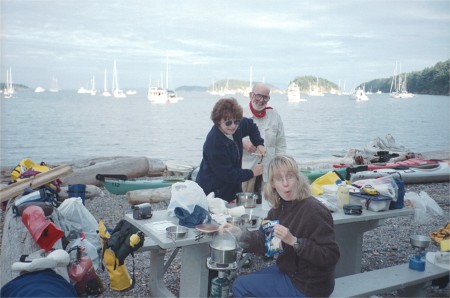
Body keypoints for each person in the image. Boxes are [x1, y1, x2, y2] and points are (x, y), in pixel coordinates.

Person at [220, 154, 340, 297]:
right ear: (272, 184)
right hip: (289, 271)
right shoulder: (278, 209)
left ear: (298, 178)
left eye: (289, 176)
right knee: (248, 279)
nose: (285, 184)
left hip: (309, 286)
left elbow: (331, 255)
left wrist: (295, 242)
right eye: (278, 178)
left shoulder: (314, 210)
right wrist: (238, 232)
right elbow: (264, 242)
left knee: (240, 285)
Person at [196, 97, 266, 203]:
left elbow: (251, 126)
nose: (233, 126)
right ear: (218, 121)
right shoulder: (214, 143)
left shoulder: (237, 126)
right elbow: (229, 174)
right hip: (212, 193)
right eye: (228, 123)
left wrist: (259, 143)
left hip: (232, 189)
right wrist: (252, 172)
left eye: (236, 121)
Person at [242, 83, 286, 200]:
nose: (261, 100)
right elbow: (226, 138)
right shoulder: (240, 114)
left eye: (265, 97)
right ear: (251, 95)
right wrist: (242, 143)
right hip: (246, 172)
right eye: (258, 96)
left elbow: (281, 144)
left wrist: (280, 168)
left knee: (268, 205)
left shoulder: (274, 115)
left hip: (268, 172)